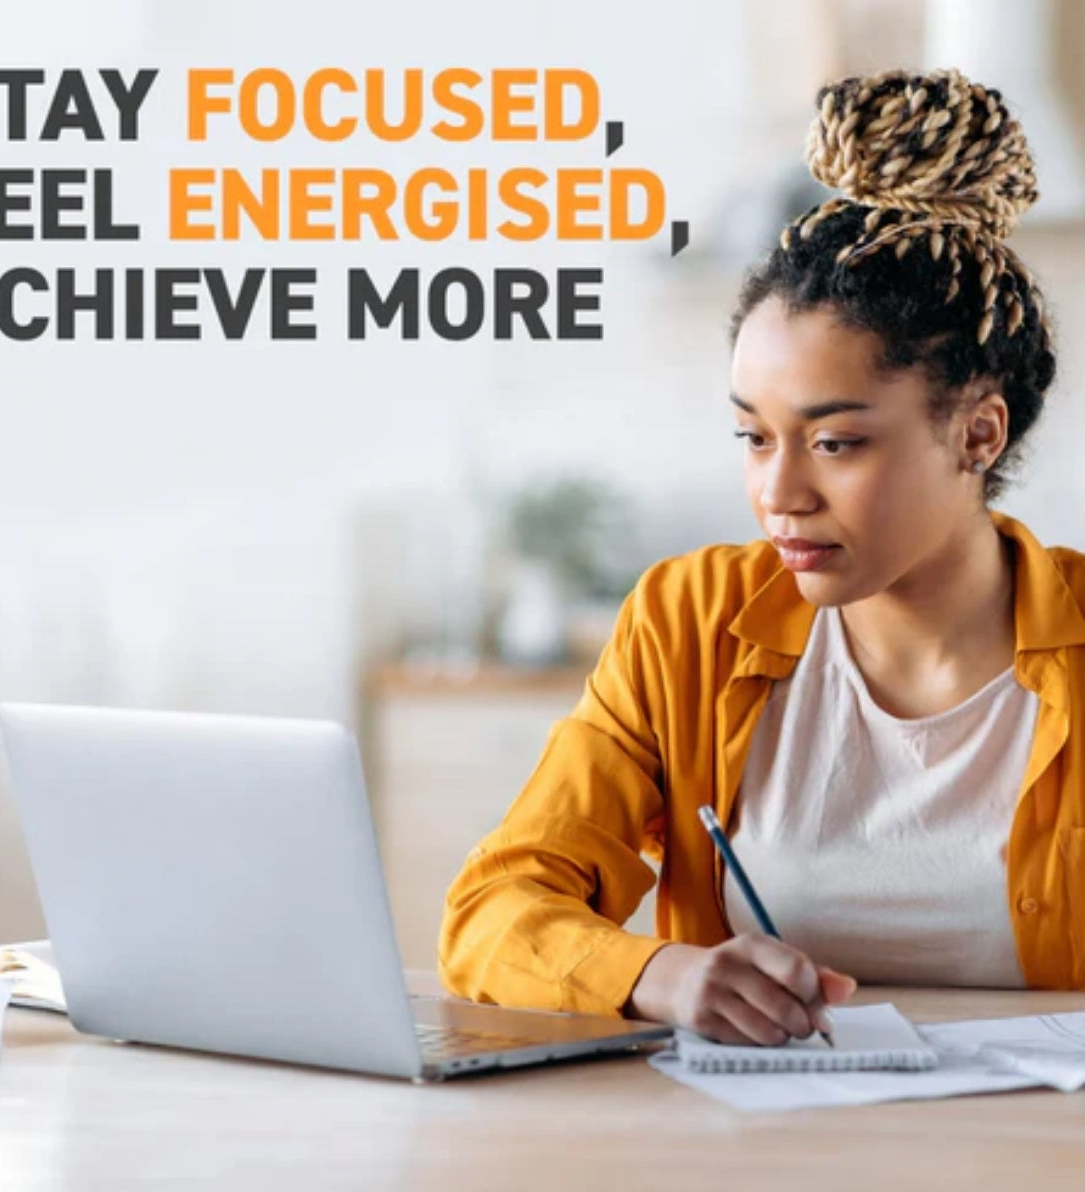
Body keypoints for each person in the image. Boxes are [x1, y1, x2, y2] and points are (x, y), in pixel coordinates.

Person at [438, 68, 1085, 1048]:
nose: (779, 492)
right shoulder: (687, 624)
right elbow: (493, 909)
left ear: (978, 434)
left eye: (835, 443)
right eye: (753, 437)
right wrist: (662, 974)